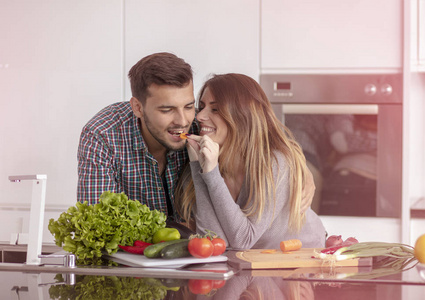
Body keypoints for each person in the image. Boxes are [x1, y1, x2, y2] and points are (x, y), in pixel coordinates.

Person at [175, 73, 326, 249]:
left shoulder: (276, 163)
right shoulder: (211, 160)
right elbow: (215, 243)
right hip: (255, 262)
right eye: (201, 107)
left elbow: (243, 240)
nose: (199, 116)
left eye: (215, 109)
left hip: (303, 258)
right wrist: (197, 166)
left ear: (242, 116)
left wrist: (211, 173)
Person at [77, 52, 198, 220]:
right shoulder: (102, 135)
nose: (183, 121)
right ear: (138, 108)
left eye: (188, 106)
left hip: (196, 245)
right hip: (129, 247)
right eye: (167, 110)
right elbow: (97, 222)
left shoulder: (201, 126)